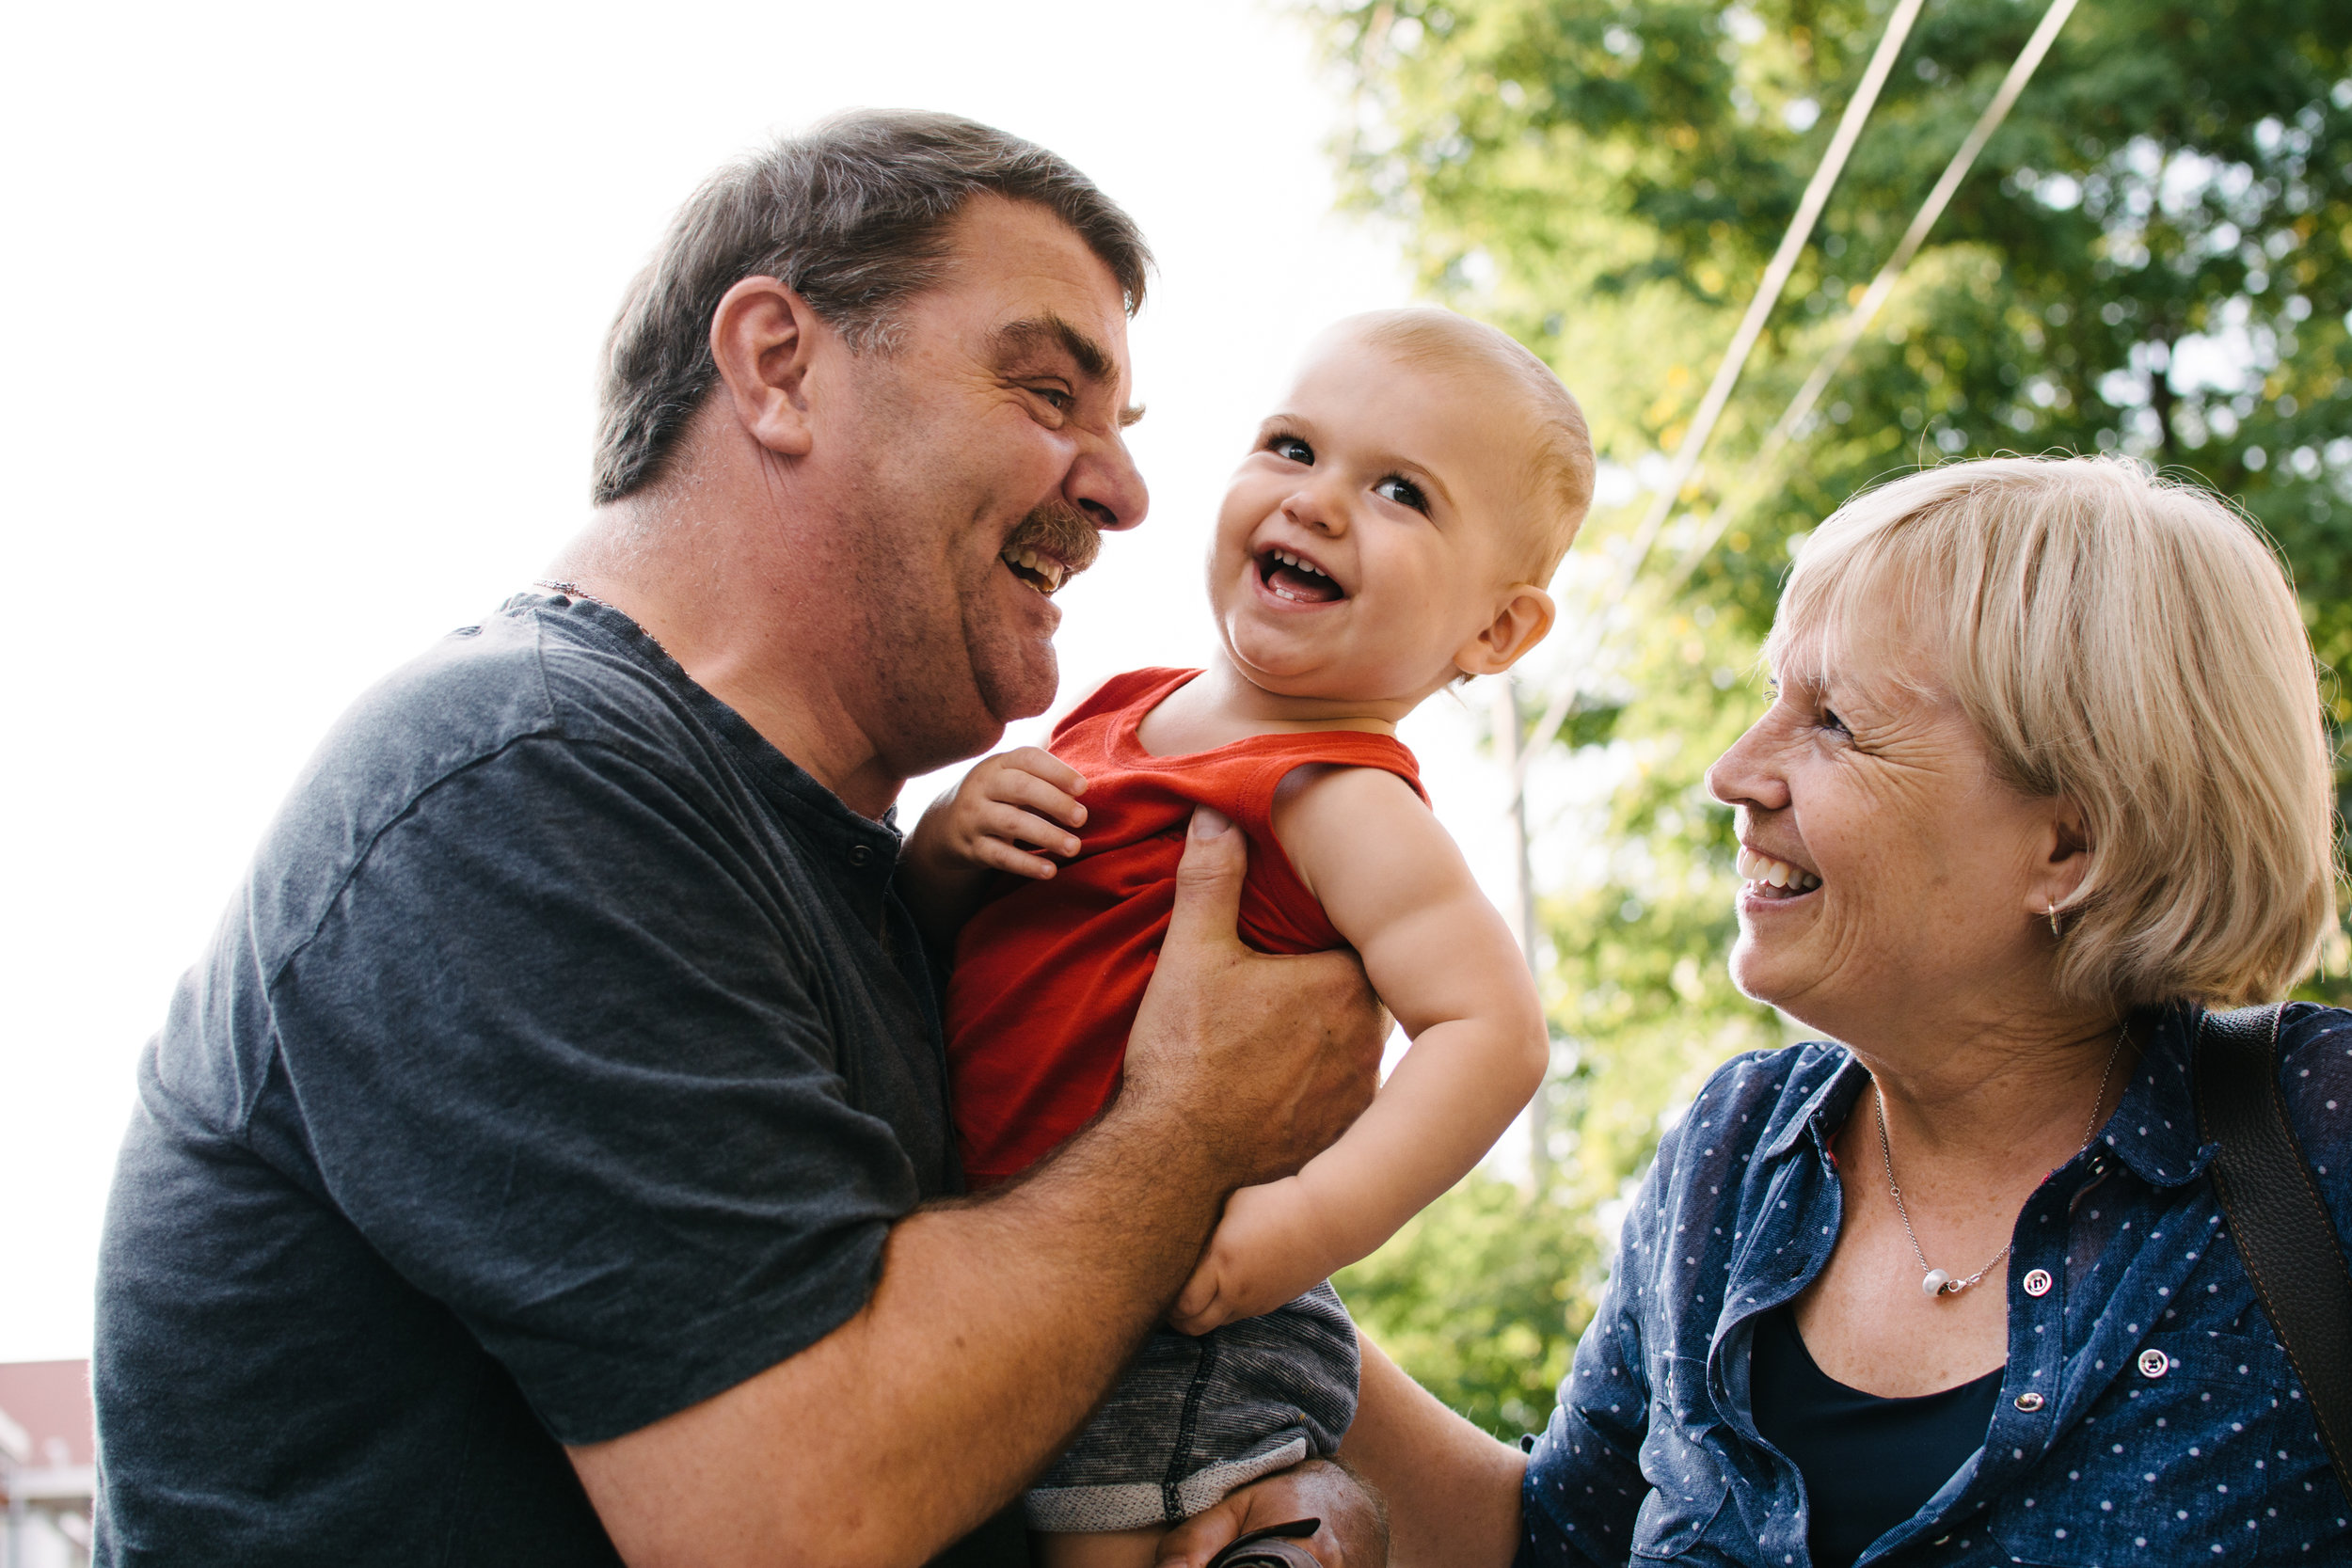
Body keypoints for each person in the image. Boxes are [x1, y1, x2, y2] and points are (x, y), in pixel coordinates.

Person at [90, 111, 1394, 1568]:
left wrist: (1299, 1462)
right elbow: (784, 1520)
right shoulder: (518, 780)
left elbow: (1181, 1331)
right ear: (778, 366)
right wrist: (1195, 1124)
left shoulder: (922, 898)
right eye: (1046, 391)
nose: (1125, 490)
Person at [1168, 454, 2352, 1567]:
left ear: (2071, 840)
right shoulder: (1738, 1150)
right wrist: (1215, 1235)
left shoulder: (2320, 1133)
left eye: (1833, 722)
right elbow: (1561, 1539)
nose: (1733, 769)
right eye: (1768, 700)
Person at [899, 309, 1594, 1562]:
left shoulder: (1340, 795)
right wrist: (952, 838)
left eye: (1400, 491)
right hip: (1021, 1259)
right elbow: (951, 952)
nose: (1319, 501)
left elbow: (1494, 1034)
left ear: (1495, 631)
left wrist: (1305, 1225)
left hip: (1185, 1317)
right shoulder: (1118, 708)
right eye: (1291, 447)